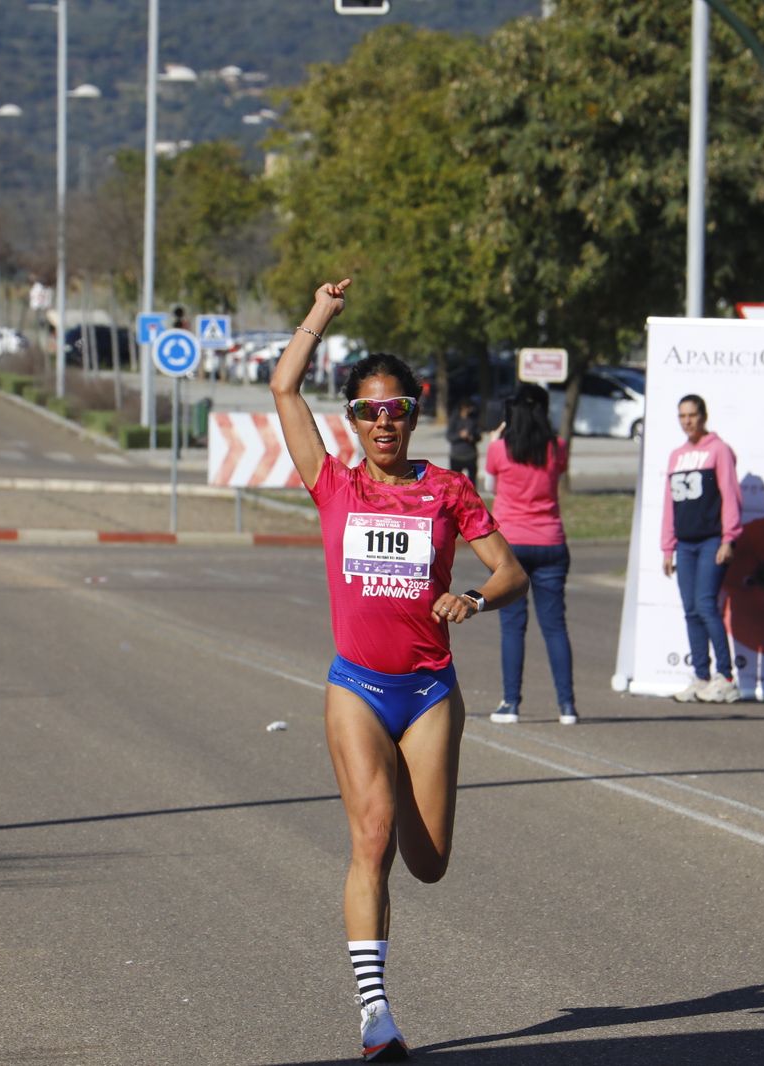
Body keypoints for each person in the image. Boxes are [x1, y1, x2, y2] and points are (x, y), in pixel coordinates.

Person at [269, 278, 527, 1061]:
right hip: (356, 685)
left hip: (428, 694)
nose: (384, 422)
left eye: (397, 409)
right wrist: (321, 315)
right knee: (371, 839)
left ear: (414, 414)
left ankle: (411, 834)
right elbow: (283, 386)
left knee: (429, 862)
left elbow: (511, 571)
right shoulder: (334, 484)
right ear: (352, 419)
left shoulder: (447, 490)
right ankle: (375, 1015)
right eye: (368, 411)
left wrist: (472, 600)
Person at [484, 384, 577, 725]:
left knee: (512, 627)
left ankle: (511, 703)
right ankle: (566, 706)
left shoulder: (500, 449)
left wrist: (495, 439)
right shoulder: (558, 448)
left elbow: (490, 487)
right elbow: (556, 478)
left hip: (511, 544)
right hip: (551, 540)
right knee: (555, 627)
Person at [662, 394, 743, 703]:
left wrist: (728, 538)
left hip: (712, 539)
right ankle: (701, 676)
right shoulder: (676, 456)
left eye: (692, 415)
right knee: (691, 610)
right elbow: (670, 505)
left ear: (703, 416)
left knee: (706, 604)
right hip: (685, 542)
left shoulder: (719, 451)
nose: (687, 421)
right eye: (682, 416)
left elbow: (731, 495)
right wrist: (667, 547)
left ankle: (725, 676)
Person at [446, 398, 481, 486]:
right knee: (455, 483)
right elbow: (449, 436)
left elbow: (479, 436)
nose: (469, 410)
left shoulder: (473, 419)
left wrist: (472, 437)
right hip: (456, 456)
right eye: (468, 408)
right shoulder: (454, 418)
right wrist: (459, 435)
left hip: (471, 455)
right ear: (463, 408)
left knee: (472, 483)